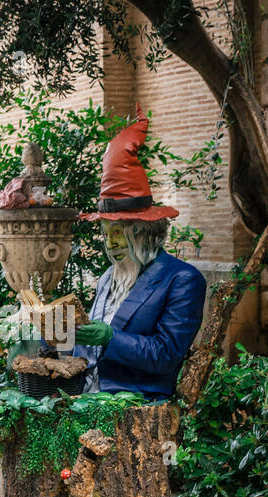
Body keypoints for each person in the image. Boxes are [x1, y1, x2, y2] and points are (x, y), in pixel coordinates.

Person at [72, 106, 206, 400]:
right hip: (85, 398)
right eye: (107, 234)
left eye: (119, 232)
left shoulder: (182, 280)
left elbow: (166, 354)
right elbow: (86, 350)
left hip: (137, 406)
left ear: (145, 232)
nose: (111, 243)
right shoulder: (109, 277)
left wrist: (110, 338)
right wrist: (57, 329)